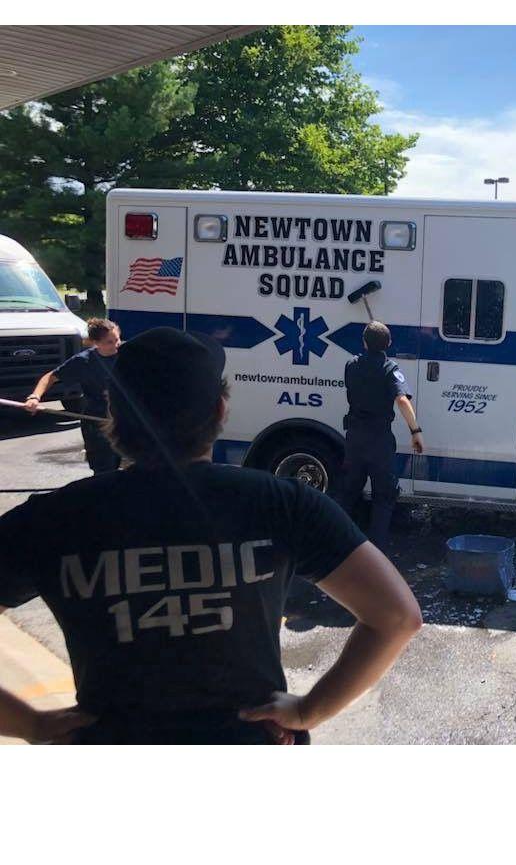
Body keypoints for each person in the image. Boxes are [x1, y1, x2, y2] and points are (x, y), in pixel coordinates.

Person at [0, 327, 421, 744]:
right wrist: (310, 709)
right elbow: (397, 617)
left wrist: (30, 724)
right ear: (220, 410)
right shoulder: (282, 504)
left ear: (113, 411)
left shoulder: (54, 518)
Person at [339, 321, 424, 549]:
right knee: (383, 499)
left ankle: (339, 545)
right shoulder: (390, 369)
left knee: (349, 494)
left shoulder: (351, 366)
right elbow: (402, 400)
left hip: (355, 438)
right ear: (389, 343)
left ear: (364, 342)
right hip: (379, 441)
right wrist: (415, 431)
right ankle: (376, 554)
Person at [25, 317, 121, 474]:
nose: (115, 345)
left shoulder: (125, 355)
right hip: (96, 422)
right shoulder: (84, 362)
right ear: (96, 343)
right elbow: (50, 377)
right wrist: (35, 397)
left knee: (124, 464)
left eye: (117, 339)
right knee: (104, 469)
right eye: (109, 342)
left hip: (122, 419)